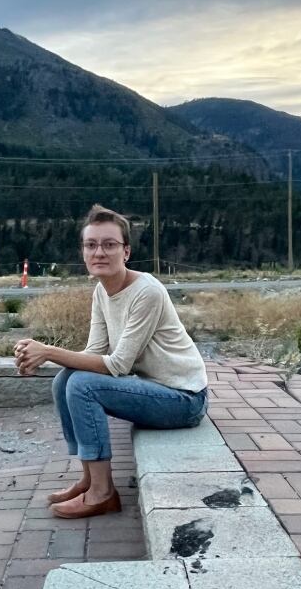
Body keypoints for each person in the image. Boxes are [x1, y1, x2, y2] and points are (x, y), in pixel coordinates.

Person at [14, 204, 208, 519]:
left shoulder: (147, 292)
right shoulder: (102, 291)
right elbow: (93, 353)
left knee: (81, 384)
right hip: (153, 390)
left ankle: (104, 493)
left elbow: (118, 365)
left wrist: (48, 351)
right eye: (91, 245)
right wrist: (37, 353)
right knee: (66, 379)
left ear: (126, 252)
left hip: (184, 400)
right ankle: (90, 479)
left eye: (109, 245)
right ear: (83, 252)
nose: (99, 252)